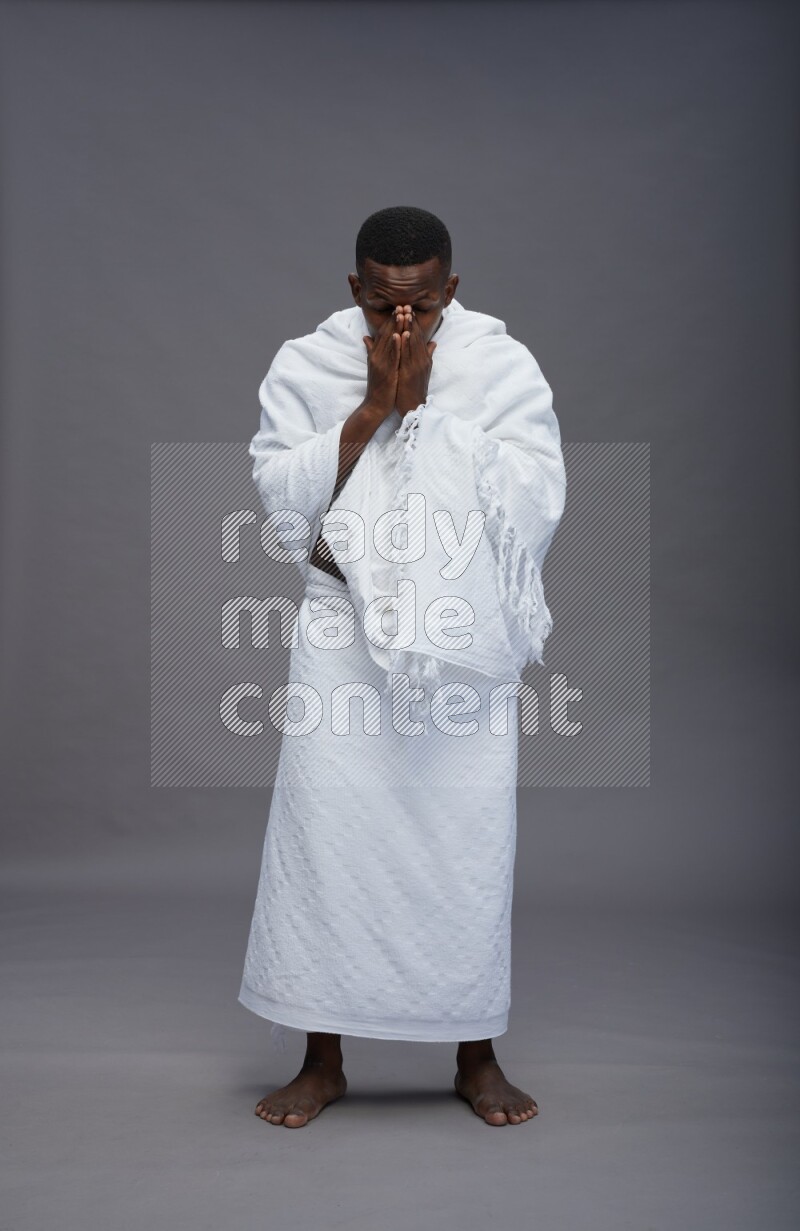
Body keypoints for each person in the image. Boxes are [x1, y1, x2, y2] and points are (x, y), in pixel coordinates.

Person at [239, 206, 566, 1127]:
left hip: (459, 639)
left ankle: (474, 1052)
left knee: (462, 843)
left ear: (451, 288)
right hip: (344, 630)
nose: (402, 324)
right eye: (384, 304)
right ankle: (323, 1057)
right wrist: (377, 408)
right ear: (354, 289)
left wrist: (432, 418)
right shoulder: (307, 365)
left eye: (420, 302)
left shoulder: (499, 365)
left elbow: (538, 492)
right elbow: (277, 497)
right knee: (327, 842)